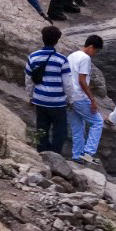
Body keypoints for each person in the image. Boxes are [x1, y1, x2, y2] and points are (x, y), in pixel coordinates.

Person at [24, 26, 69, 155]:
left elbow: (28, 79)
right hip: (58, 101)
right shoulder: (62, 59)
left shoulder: (33, 57)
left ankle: (42, 153)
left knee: (41, 128)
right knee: (59, 130)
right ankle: (55, 155)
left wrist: (31, 96)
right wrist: (69, 99)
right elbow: (68, 84)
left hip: (40, 100)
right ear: (57, 40)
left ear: (43, 39)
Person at [65, 35, 105, 165]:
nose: (95, 54)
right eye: (96, 51)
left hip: (68, 96)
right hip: (79, 96)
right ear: (91, 47)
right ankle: (88, 153)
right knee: (97, 121)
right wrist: (92, 99)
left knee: (78, 127)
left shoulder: (71, 56)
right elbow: (82, 80)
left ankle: (77, 155)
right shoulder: (85, 58)